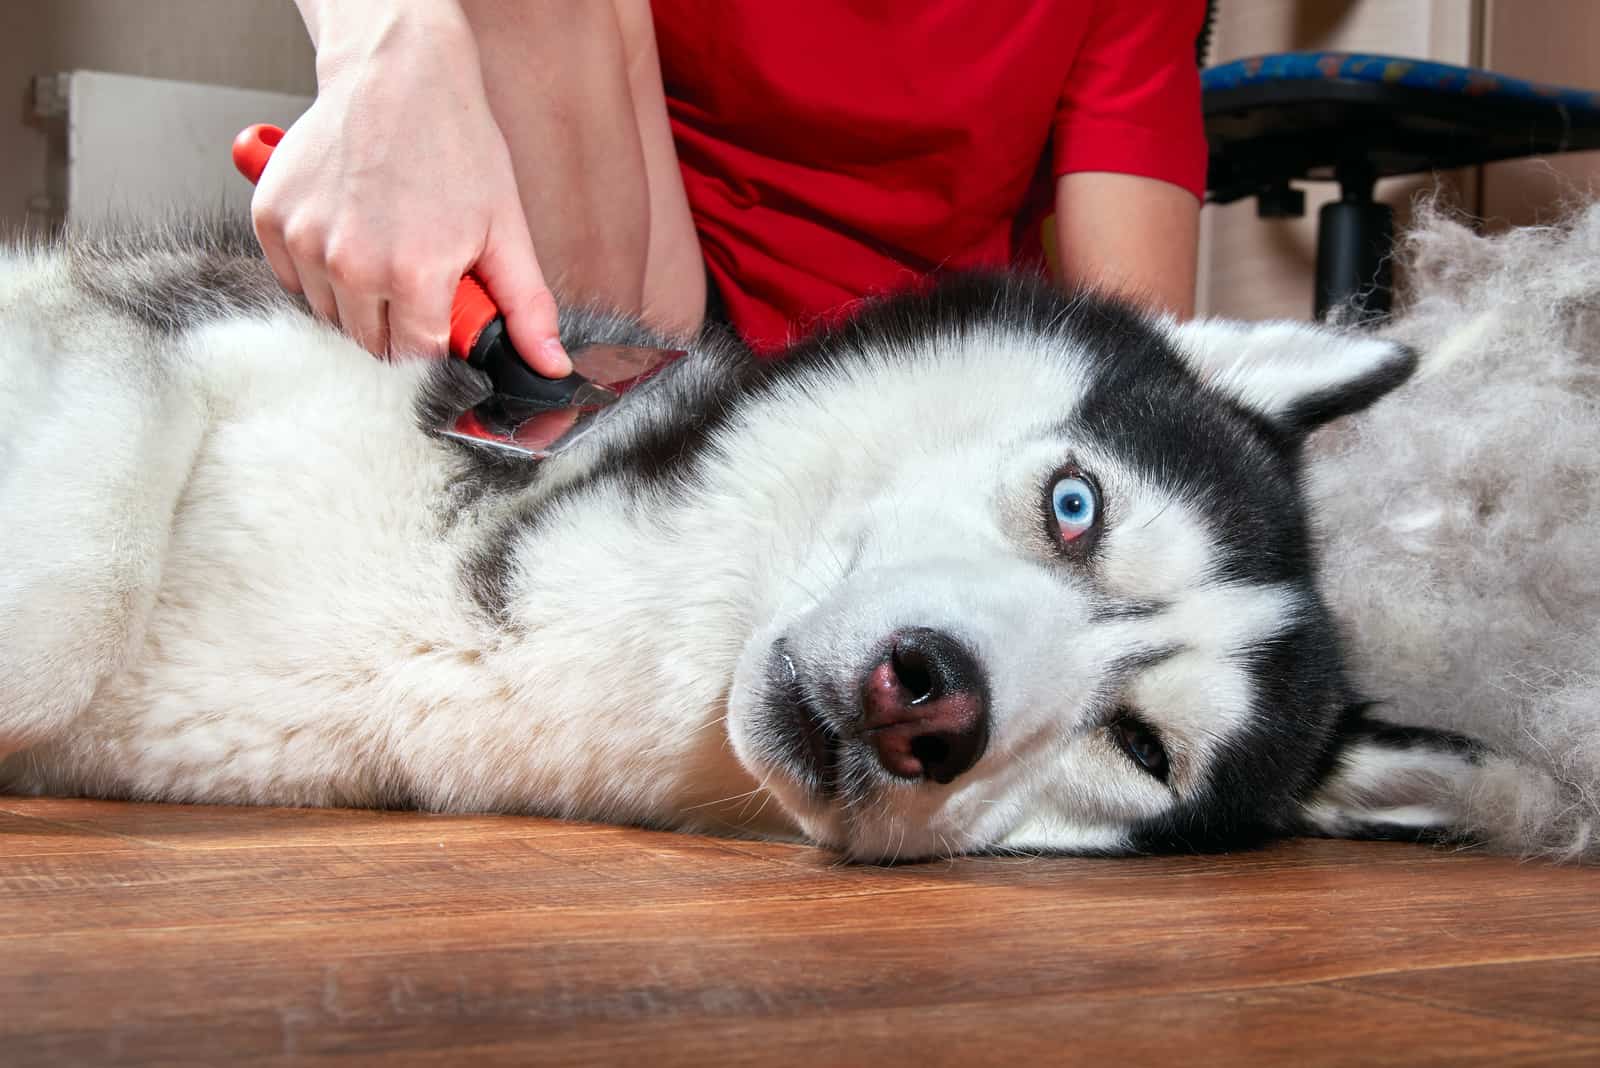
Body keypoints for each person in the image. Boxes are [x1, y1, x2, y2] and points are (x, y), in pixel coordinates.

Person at [255, 0, 1205, 375]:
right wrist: (382, 50)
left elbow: (1140, 336)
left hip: (909, 380)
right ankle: (558, 507)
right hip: (657, 319)